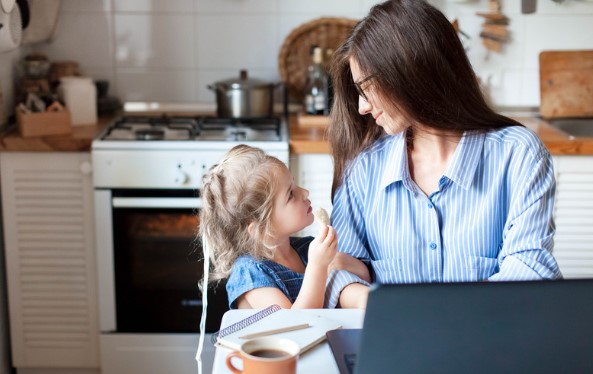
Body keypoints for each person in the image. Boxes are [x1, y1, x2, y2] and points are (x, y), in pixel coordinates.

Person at [324, 0, 562, 309]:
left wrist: (430, 313)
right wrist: (408, 311)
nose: (362, 107)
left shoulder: (518, 155)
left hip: (493, 343)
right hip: (394, 344)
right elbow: (338, 271)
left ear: (411, 72)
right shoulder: (363, 168)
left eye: (367, 88)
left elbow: (531, 272)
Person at [200, 144, 370, 310]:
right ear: (261, 228)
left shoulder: (306, 248)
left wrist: (340, 261)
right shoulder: (250, 272)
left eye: (294, 184)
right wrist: (318, 267)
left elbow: (363, 276)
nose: (304, 192)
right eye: (290, 194)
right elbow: (292, 325)